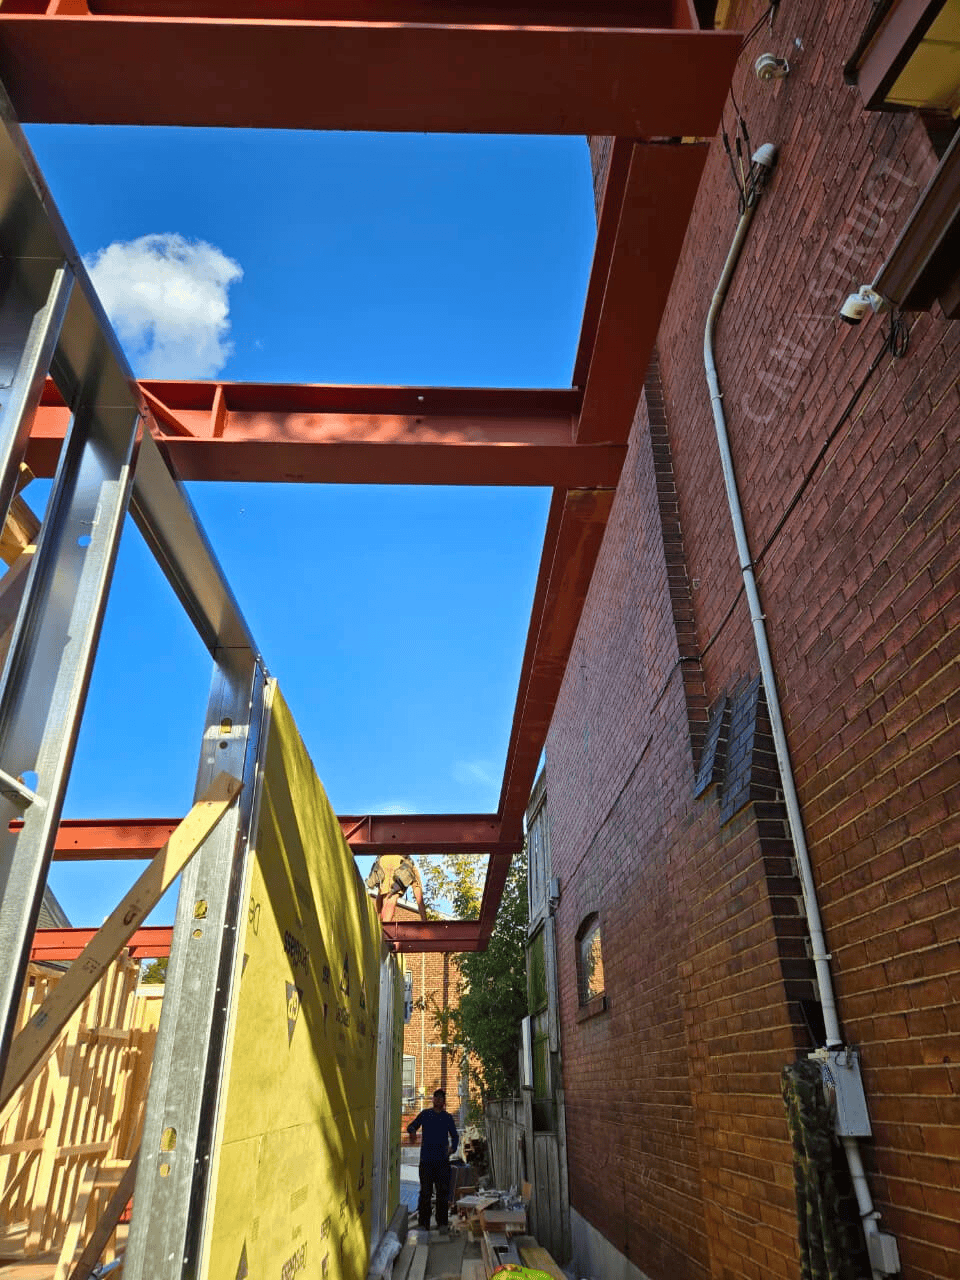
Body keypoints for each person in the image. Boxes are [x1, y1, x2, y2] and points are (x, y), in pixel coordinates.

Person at [406, 1088, 458, 1231]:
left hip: (442, 1162)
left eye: (442, 1098)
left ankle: (442, 1223)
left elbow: (455, 1136)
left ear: (444, 1102)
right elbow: (411, 1125)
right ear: (433, 1100)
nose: (439, 1100)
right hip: (426, 1161)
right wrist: (412, 1132)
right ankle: (424, 1223)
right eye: (437, 1098)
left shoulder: (447, 1118)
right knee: (425, 1193)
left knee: (442, 1193)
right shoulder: (425, 1114)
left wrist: (452, 1148)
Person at [365, 853, 427, 922]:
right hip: (400, 862)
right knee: (392, 897)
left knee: (383, 893)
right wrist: (425, 922)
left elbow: (380, 895)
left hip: (383, 859)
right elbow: (419, 898)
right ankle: (385, 926)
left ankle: (379, 921)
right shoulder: (413, 869)